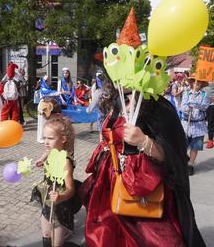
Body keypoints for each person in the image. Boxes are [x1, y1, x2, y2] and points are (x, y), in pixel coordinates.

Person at [80, 81, 205, 246]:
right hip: (109, 181)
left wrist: (143, 141)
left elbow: (172, 155)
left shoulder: (158, 106)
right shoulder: (116, 98)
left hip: (142, 185)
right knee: (106, 234)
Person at [33, 116, 76, 247]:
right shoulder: (52, 150)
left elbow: (71, 189)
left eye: (50, 138)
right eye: (44, 137)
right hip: (47, 195)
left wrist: (60, 197)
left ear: (63, 139)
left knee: (56, 232)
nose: (46, 142)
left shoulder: (65, 161)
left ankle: (61, 237)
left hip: (59, 202)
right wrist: (41, 160)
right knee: (46, 231)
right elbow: (47, 151)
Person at [180, 75, 210, 175]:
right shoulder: (186, 93)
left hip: (199, 125)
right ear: (192, 83)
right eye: (194, 81)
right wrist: (188, 108)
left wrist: (194, 104)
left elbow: (205, 106)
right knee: (182, 146)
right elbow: (182, 107)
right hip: (186, 124)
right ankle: (183, 160)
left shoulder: (204, 94)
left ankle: (191, 165)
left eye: (199, 82)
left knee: (195, 146)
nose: (197, 83)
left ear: (202, 84)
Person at [37, 76, 64, 143]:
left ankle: (45, 136)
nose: (49, 82)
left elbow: (52, 93)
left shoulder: (46, 88)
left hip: (47, 105)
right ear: (45, 81)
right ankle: (40, 138)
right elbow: (51, 93)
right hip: (43, 106)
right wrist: (60, 93)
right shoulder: (43, 89)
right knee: (42, 123)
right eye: (48, 81)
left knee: (46, 122)